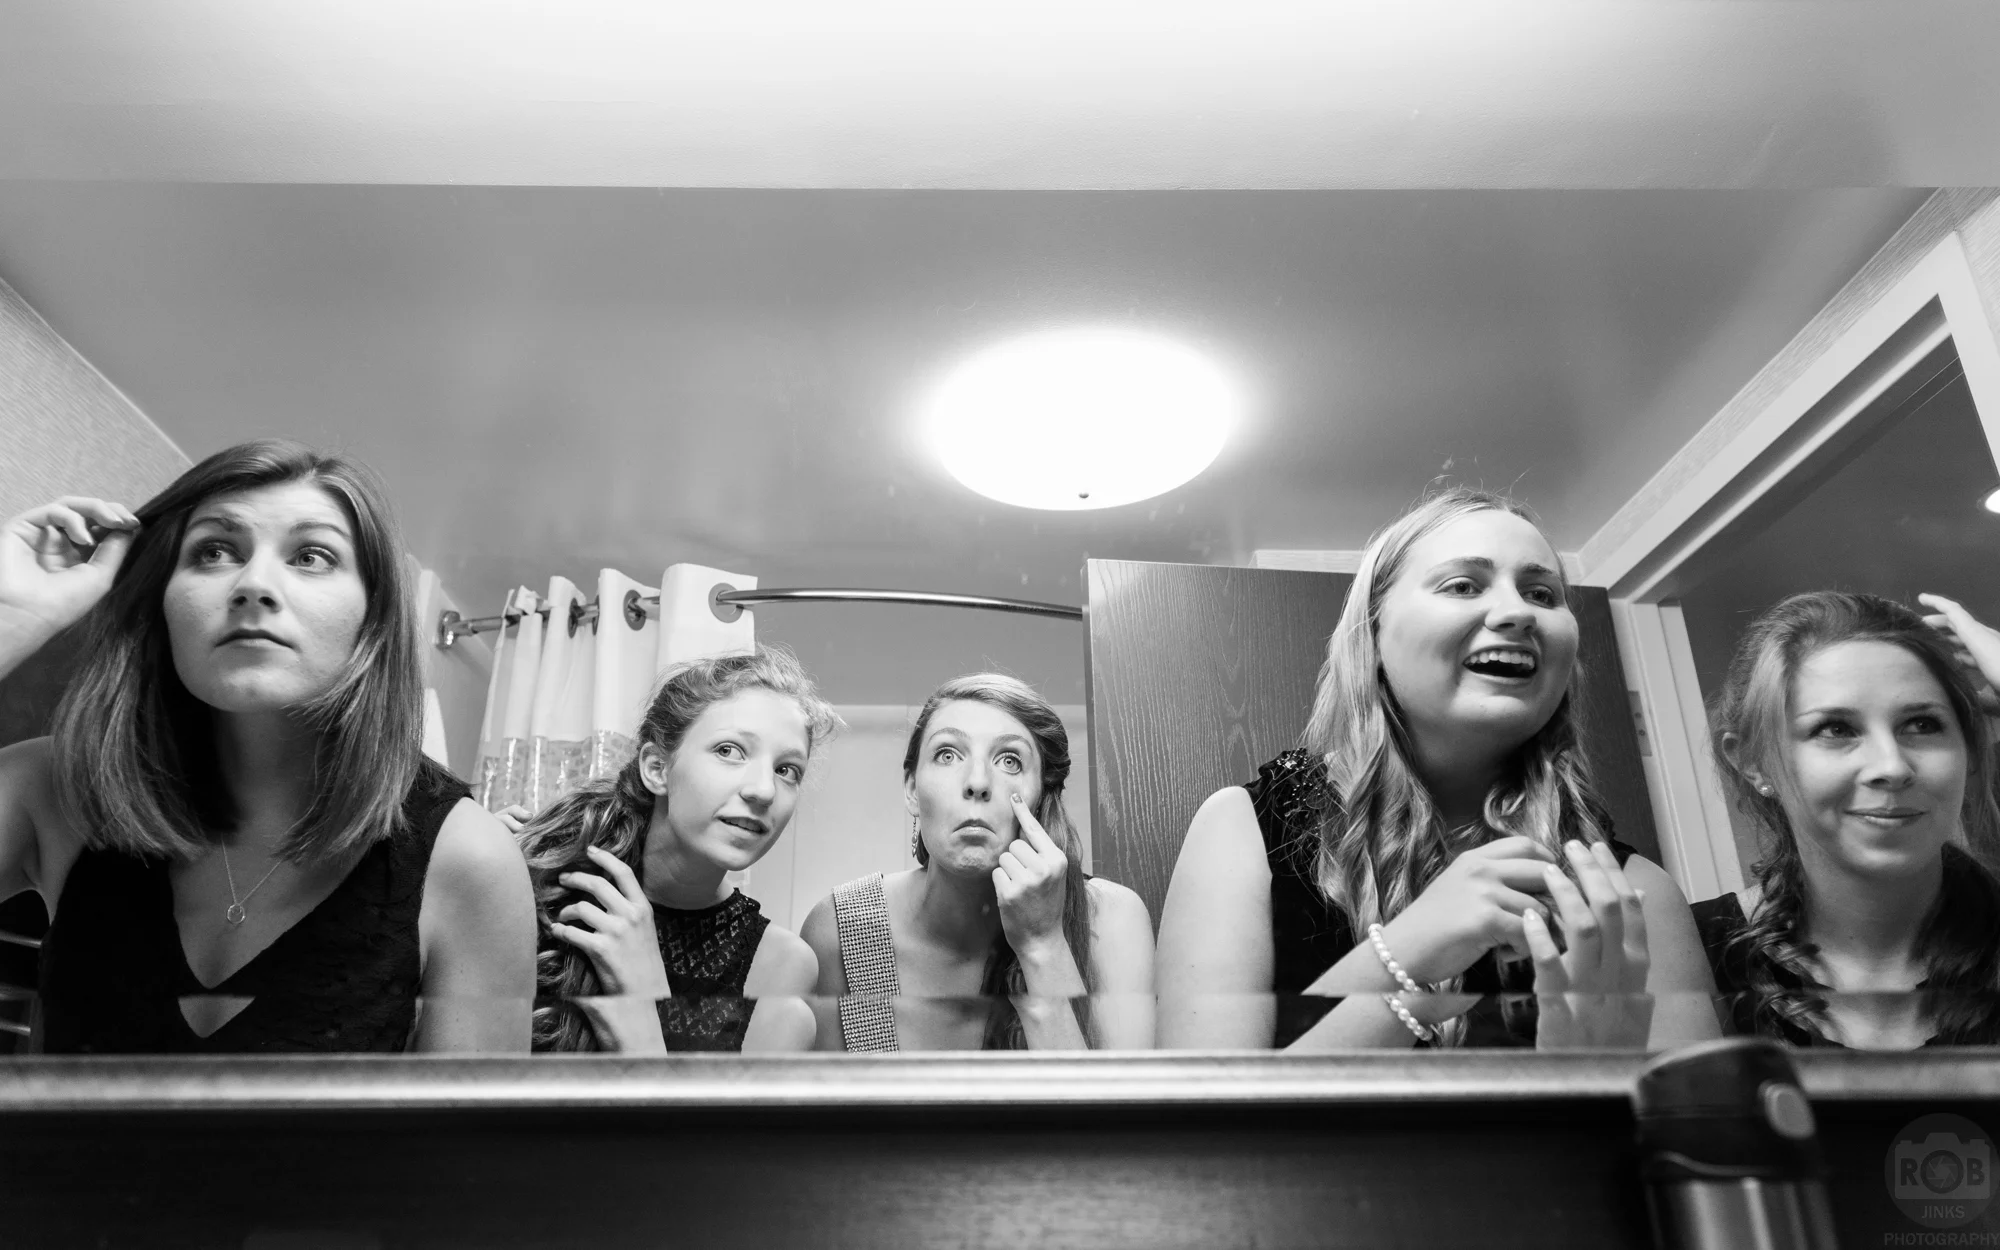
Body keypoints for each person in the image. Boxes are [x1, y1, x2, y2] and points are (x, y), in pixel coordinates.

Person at [0, 441, 535, 1052]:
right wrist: (10, 618)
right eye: (213, 551)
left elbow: (469, 1118)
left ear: (373, 618)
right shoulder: (54, 787)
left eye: (311, 556)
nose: (254, 584)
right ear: (161, 601)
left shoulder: (467, 859)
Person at [1156, 487, 1718, 1050]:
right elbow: (1204, 1106)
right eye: (1463, 585)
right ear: (1373, 633)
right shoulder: (1244, 830)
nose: (1518, 612)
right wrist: (1408, 959)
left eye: (1542, 594)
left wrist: (1587, 1069)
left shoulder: (1634, 895)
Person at [1692, 590, 2000, 1048]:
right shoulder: (1690, 949)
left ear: (1969, 747)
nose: (1892, 766)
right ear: (1753, 762)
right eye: (1836, 729)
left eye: (1922, 724)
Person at [801, 673, 1154, 1051]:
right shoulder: (842, 927)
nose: (977, 782)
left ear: (1041, 796)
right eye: (948, 755)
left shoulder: (1109, 918)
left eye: (1009, 761)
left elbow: (1114, 1095)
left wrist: (1042, 943)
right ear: (912, 789)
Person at [514, 646, 837, 1052]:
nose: (764, 790)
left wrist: (644, 1003)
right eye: (729, 751)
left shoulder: (781, 966)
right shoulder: (537, 880)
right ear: (657, 768)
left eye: (786, 770)